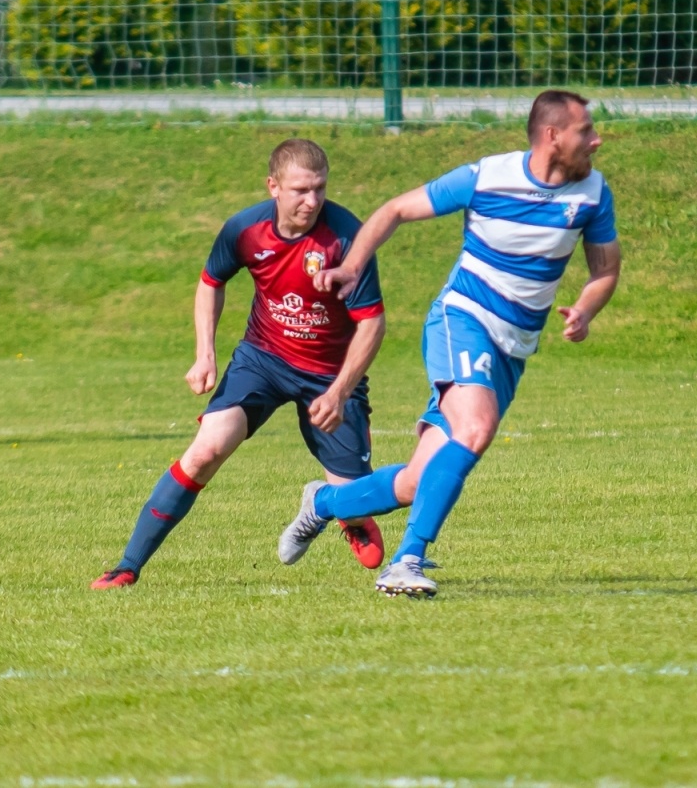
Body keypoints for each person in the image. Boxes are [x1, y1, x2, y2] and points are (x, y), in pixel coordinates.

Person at [276, 90, 621, 598]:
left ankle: (323, 503)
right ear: (551, 136)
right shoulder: (487, 177)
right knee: (476, 428)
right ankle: (405, 561)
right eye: (584, 130)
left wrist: (587, 309)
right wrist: (351, 266)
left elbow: (605, 269)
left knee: (419, 480)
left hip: (513, 346)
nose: (596, 139)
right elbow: (395, 209)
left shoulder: (592, 192)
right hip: (462, 319)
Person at [92, 139, 388, 589]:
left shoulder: (348, 238)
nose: (312, 200)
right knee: (206, 450)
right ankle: (127, 566)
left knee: (365, 521)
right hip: (263, 360)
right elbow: (211, 281)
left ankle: (327, 503)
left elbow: (372, 325)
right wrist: (205, 353)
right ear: (273, 186)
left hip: (329, 374)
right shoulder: (245, 230)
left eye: (320, 189)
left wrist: (340, 390)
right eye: (300, 190)